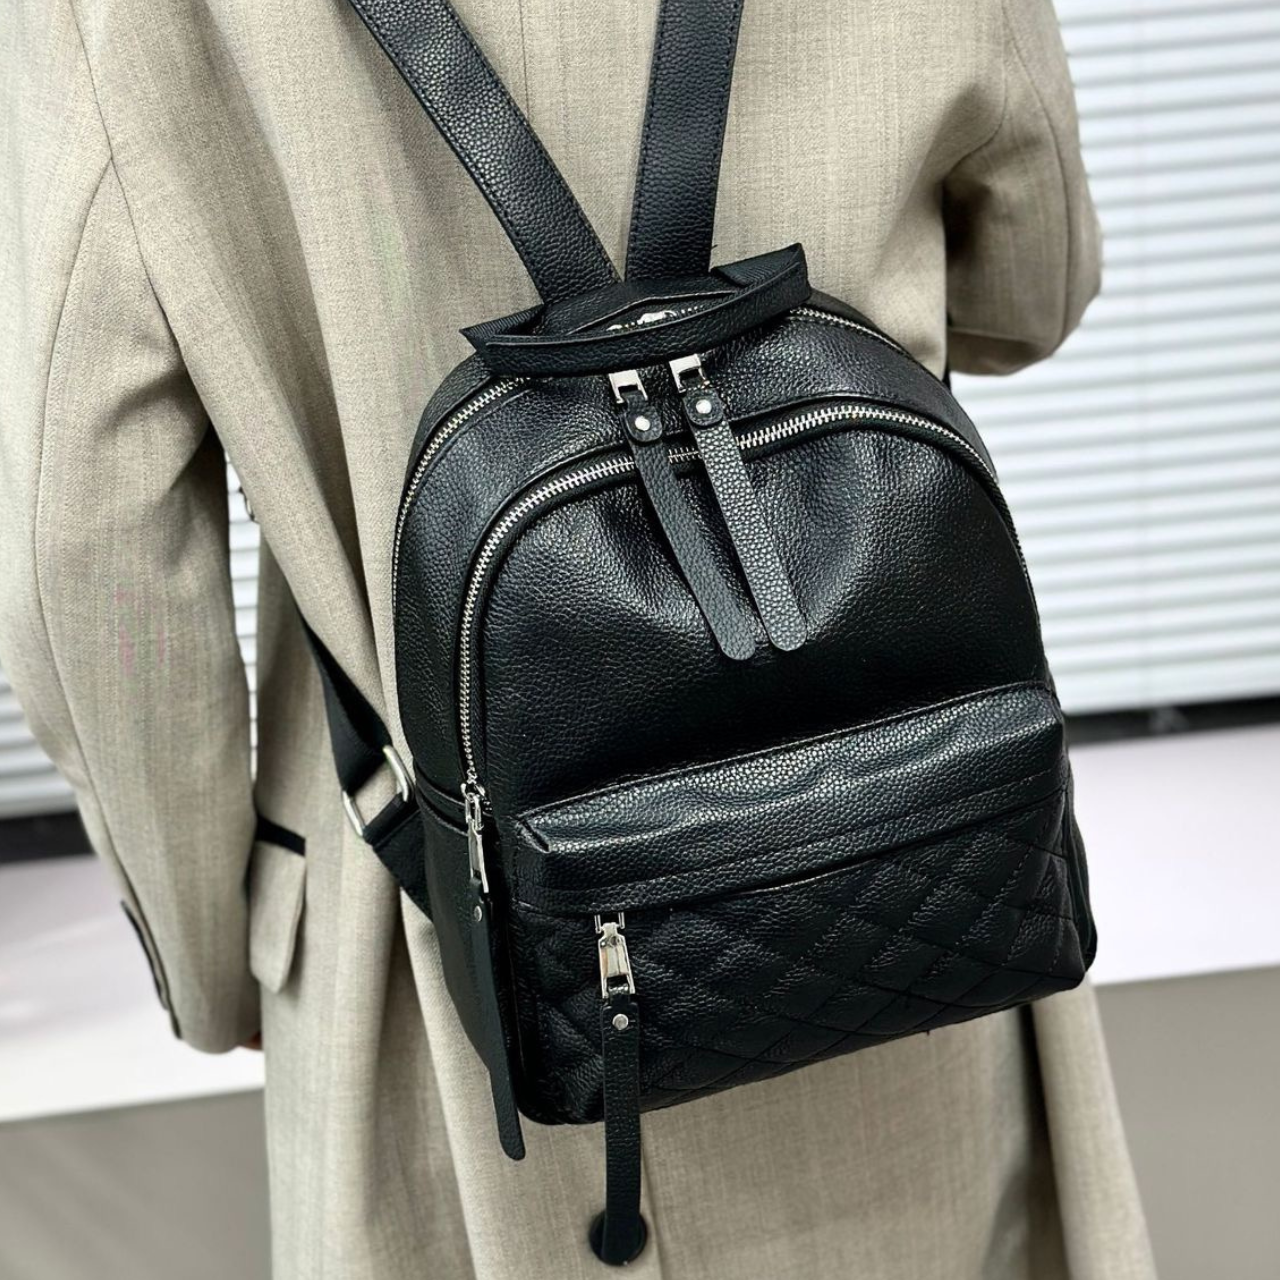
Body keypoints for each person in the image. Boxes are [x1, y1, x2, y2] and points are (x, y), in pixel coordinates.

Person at [0, 1, 1158, 1276]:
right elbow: (1028, 294)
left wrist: (223, 955)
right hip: (912, 870)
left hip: (428, 912)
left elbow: (78, 558)